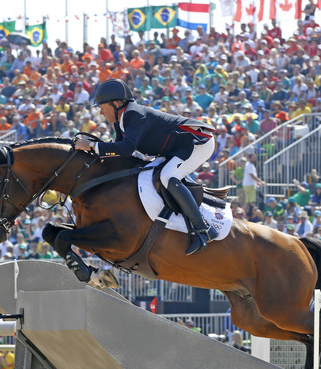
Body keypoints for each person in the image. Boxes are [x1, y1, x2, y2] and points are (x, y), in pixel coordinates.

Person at [74, 79, 218, 255]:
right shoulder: (120, 121)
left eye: (102, 106)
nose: (101, 112)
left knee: (167, 176)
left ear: (116, 104)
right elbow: (119, 154)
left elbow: (126, 149)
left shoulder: (134, 115)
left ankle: (203, 228)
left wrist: (92, 146)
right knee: (154, 174)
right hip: (177, 148)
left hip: (196, 143)